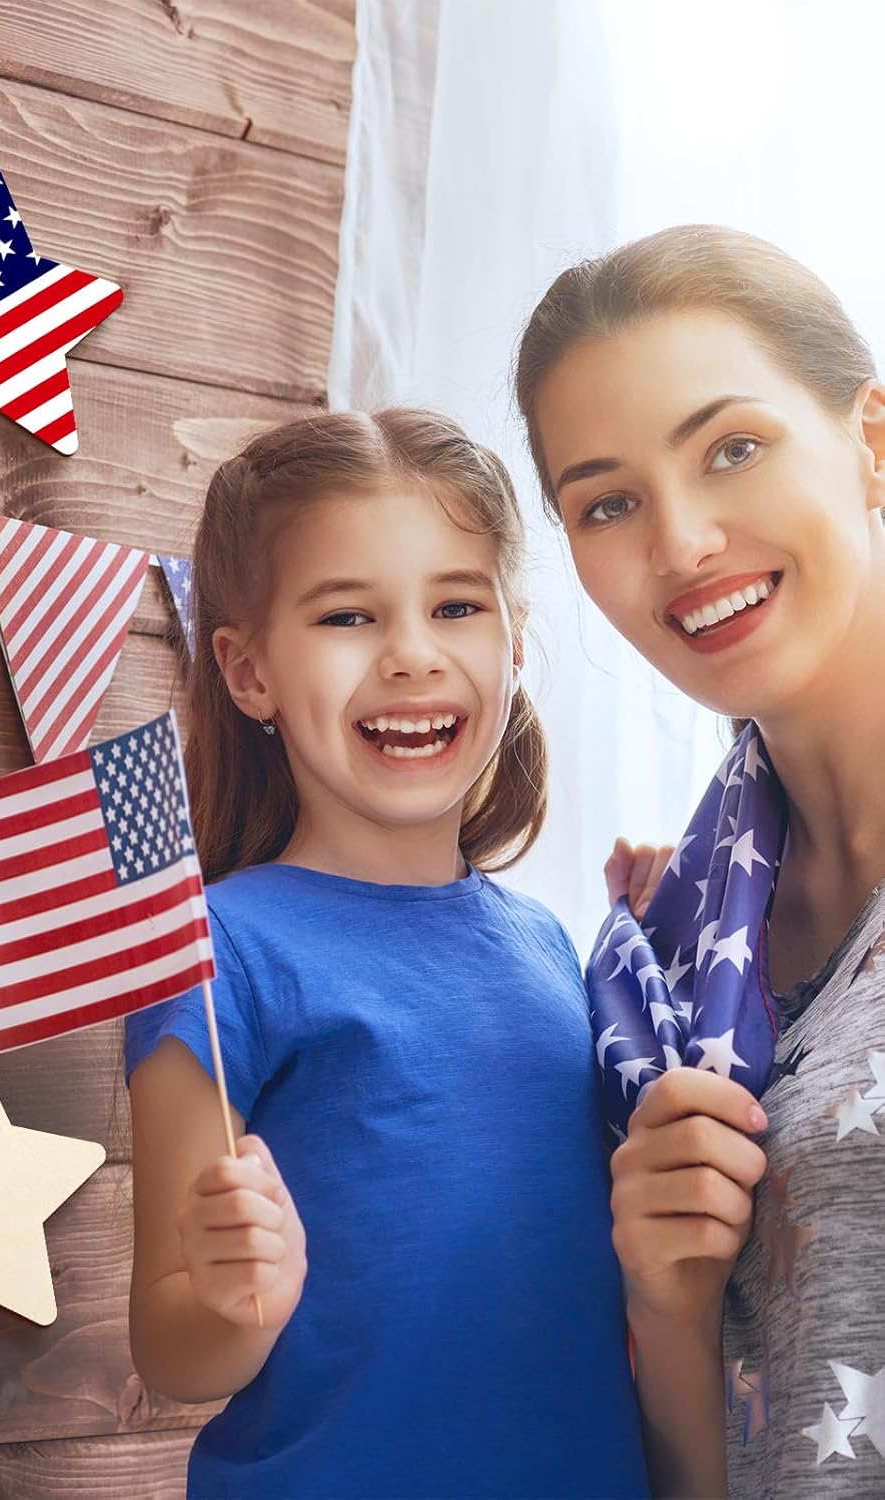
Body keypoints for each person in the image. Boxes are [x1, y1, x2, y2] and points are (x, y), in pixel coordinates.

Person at [124, 408, 650, 1498]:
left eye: (455, 605)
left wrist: (670, 948)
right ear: (249, 670)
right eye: (348, 616)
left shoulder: (552, 948)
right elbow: (169, 1348)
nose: (413, 654)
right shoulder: (215, 945)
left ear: (511, 642)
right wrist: (233, 1296)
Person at [517, 224, 885, 1497]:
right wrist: (669, 1307)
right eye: (608, 502)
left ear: (871, 441)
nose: (679, 544)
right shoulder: (672, 961)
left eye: (733, 448)